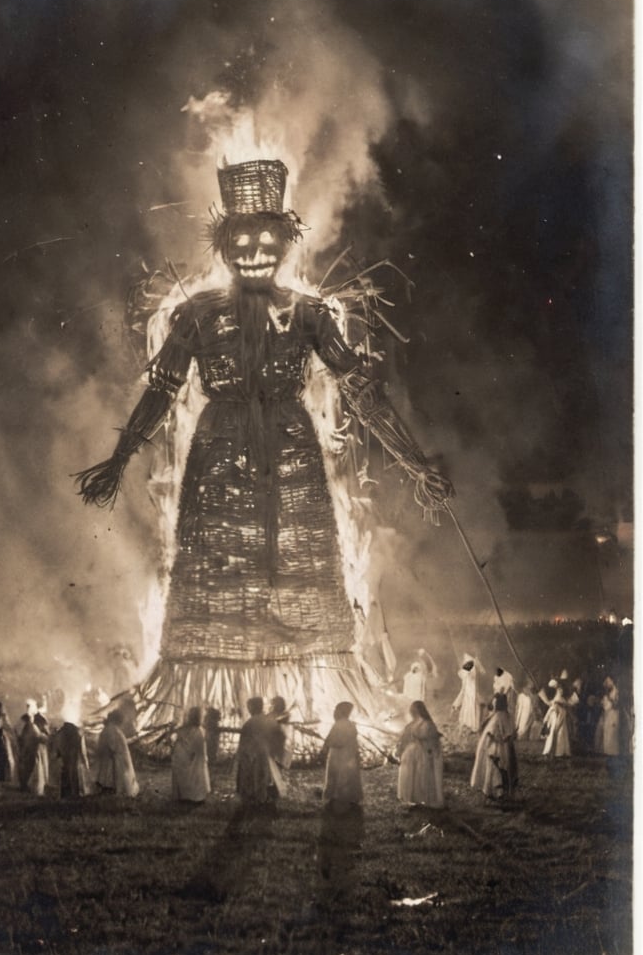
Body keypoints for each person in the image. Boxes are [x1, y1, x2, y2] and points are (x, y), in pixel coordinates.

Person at [76, 158, 453, 729]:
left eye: (267, 238)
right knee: (215, 579)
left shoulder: (309, 314)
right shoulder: (196, 314)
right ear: (225, 245)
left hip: (291, 451)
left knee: (300, 577)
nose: (256, 249)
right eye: (244, 239)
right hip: (218, 451)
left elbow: (362, 394)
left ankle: (304, 712)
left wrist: (415, 462)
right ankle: (207, 717)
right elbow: (161, 392)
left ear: (286, 241)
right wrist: (120, 457)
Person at [470, 692, 518, 802]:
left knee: (498, 767)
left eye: (495, 702)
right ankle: (491, 790)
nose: (494, 704)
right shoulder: (495, 715)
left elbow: (508, 733)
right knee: (492, 767)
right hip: (492, 746)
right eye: (494, 702)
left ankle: (498, 791)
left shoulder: (502, 716)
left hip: (500, 747)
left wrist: (497, 737)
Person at [235, 697, 283, 805]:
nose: (248, 709)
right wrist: (274, 751)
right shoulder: (270, 721)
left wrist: (242, 755)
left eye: (249, 707)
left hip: (252, 755)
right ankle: (262, 799)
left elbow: (244, 742)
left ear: (252, 708)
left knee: (252, 777)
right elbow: (279, 737)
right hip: (266, 754)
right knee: (263, 777)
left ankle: (255, 800)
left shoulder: (249, 723)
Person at [396, 700, 444, 808]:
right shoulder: (413, 724)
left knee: (419, 776)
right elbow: (404, 739)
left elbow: (432, 740)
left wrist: (431, 750)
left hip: (422, 752)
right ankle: (411, 797)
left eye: (414, 711)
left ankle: (420, 797)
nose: (412, 713)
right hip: (411, 752)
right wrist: (400, 751)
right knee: (412, 775)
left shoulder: (427, 724)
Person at [322, 701, 363, 809]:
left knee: (337, 774)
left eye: (336, 711)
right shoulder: (351, 725)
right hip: (349, 754)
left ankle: (337, 796)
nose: (334, 713)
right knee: (348, 775)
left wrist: (327, 745)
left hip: (338, 754)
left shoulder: (338, 725)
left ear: (340, 712)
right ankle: (350, 796)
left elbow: (333, 740)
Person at [93, 709, 140, 796]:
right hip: (114, 759)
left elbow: (120, 742)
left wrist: (133, 739)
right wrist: (118, 754)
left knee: (113, 777)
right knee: (114, 777)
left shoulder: (112, 729)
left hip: (116, 757)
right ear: (116, 719)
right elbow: (114, 746)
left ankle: (113, 790)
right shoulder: (111, 730)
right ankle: (115, 791)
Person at [171, 706, 211, 803]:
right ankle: (194, 795)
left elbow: (175, 740)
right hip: (192, 757)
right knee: (196, 769)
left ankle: (185, 795)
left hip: (184, 757)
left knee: (191, 768)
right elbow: (200, 747)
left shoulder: (183, 730)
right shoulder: (199, 731)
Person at [51, 719, 91, 798]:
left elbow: (55, 751)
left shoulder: (59, 734)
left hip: (64, 761)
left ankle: (65, 794)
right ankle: (75, 794)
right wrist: (86, 763)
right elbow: (83, 752)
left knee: (65, 776)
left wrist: (55, 758)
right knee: (74, 776)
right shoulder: (77, 734)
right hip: (75, 761)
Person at [17, 700, 50, 796]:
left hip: (31, 748)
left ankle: (27, 785)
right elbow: (19, 731)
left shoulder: (32, 720)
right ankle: (28, 786)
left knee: (30, 767)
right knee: (30, 767)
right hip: (30, 748)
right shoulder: (27, 719)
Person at [452, 654, 485, 734]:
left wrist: (474, 663)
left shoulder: (472, 669)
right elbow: (463, 676)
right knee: (468, 707)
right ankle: (468, 725)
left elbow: (472, 675)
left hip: (472, 692)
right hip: (468, 692)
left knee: (473, 707)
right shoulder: (467, 671)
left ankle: (473, 726)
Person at [541, 680, 571, 758]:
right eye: (559, 689)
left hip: (559, 714)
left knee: (561, 732)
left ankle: (559, 752)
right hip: (555, 715)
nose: (560, 690)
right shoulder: (557, 697)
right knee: (553, 732)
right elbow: (553, 706)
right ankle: (550, 751)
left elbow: (562, 706)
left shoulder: (560, 698)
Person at [594, 676, 621, 756]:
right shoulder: (607, 692)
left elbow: (616, 704)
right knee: (604, 732)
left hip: (613, 714)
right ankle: (605, 751)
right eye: (606, 681)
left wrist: (610, 699)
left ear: (612, 681)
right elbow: (603, 703)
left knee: (611, 733)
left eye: (608, 681)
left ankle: (611, 752)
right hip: (606, 714)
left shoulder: (616, 691)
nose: (607, 683)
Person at [266, 695, 294, 772]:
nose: (273, 706)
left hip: (280, 739)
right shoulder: (271, 714)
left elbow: (280, 720)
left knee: (278, 760)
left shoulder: (285, 715)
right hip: (272, 739)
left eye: (274, 704)